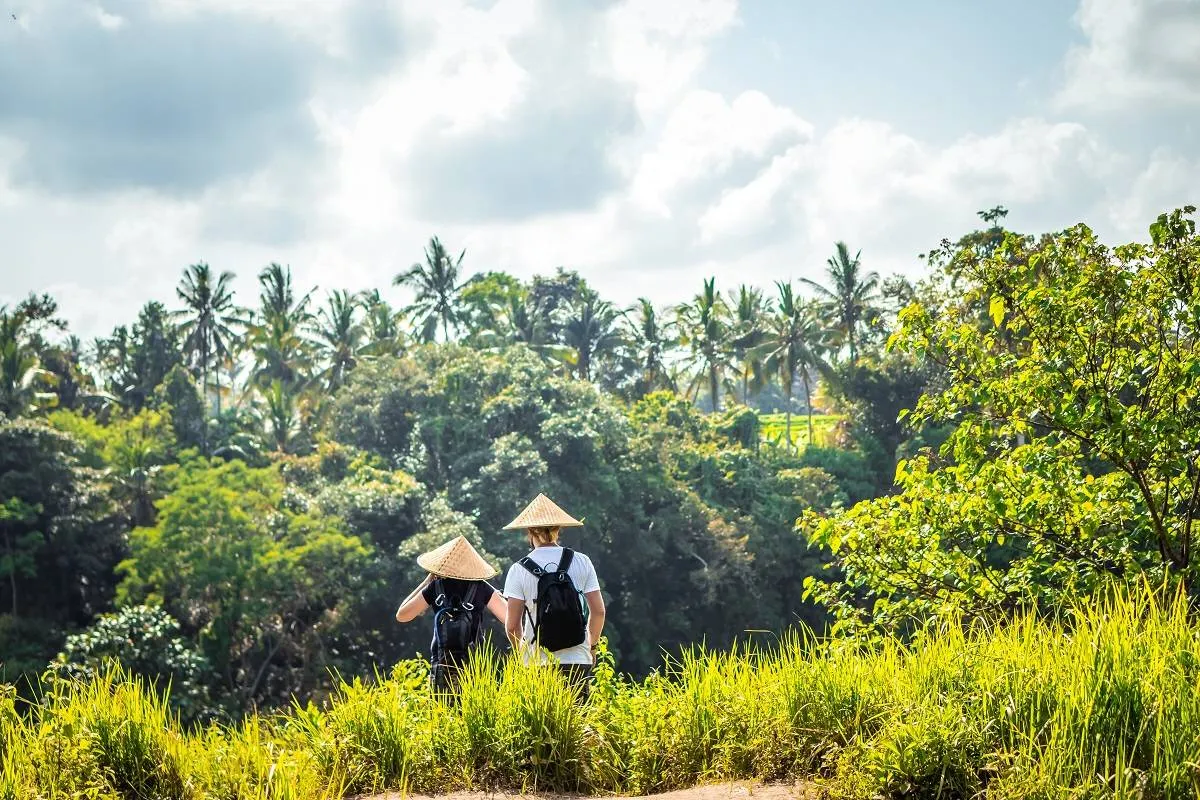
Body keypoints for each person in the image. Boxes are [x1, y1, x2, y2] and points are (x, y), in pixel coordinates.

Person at [502, 493, 606, 699]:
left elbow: (513, 626)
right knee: (579, 725)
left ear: (529, 532)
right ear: (558, 530)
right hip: (577, 658)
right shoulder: (582, 561)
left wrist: (522, 654)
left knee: (541, 729)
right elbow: (599, 611)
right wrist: (591, 647)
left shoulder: (518, 569)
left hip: (537, 662)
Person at [395, 535, 507, 694]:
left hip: (442, 665)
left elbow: (402, 615)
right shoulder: (481, 587)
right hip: (475, 667)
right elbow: (508, 618)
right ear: (472, 565)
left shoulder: (435, 587)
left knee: (442, 713)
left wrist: (427, 581)